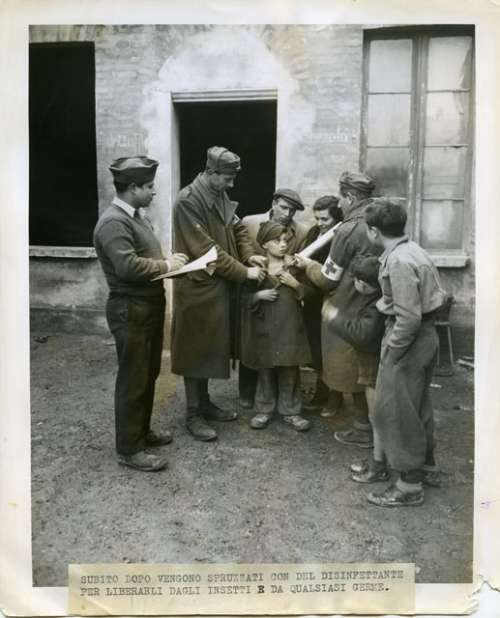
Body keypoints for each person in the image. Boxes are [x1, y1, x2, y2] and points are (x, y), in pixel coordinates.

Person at [93, 156, 189, 472]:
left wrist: (169, 262)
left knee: (148, 373)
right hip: (130, 309)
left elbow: (142, 257)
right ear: (133, 188)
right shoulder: (113, 222)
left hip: (147, 305)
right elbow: (127, 267)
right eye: (149, 186)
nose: (154, 191)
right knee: (133, 378)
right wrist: (166, 265)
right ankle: (129, 449)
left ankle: (142, 432)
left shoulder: (134, 217)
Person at [171, 146, 266, 442]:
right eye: (227, 178)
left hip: (218, 287)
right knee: (194, 349)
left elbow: (238, 229)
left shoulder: (218, 193)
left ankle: (204, 403)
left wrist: (249, 255)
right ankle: (193, 414)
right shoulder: (188, 201)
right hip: (197, 288)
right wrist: (244, 272)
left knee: (210, 348)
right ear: (211, 172)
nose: (231, 184)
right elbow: (207, 251)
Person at [363, 198, 447, 507]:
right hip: (425, 336)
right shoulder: (413, 249)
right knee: (417, 405)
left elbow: (408, 317)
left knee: (397, 411)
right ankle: (427, 467)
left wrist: (393, 351)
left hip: (408, 338)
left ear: (374, 231)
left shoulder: (398, 260)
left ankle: (409, 485)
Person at [294, 171, 381, 446]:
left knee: (351, 367)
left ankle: (363, 428)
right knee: (369, 370)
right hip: (375, 304)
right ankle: (372, 428)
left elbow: (327, 278)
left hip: (347, 305)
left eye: (342, 199)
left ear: (351, 197)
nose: (340, 204)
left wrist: (309, 265)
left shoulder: (348, 229)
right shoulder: (380, 217)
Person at [239, 189, 310, 408]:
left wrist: (293, 274)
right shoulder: (250, 223)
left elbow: (302, 267)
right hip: (258, 290)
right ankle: (250, 395)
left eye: (293, 210)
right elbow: (241, 249)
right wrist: (252, 264)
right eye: (284, 208)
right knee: (258, 356)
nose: (288, 214)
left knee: (286, 358)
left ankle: (287, 405)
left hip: (286, 307)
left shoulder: (301, 232)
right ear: (274, 203)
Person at [321, 256, 386, 482]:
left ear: (363, 284)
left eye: (355, 280)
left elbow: (362, 335)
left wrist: (334, 318)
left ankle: (380, 465)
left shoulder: (375, 306)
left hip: (374, 367)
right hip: (374, 364)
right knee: (377, 415)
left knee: (377, 416)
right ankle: (380, 460)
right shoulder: (376, 297)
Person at [301, 196, 344, 411]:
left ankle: (334, 396)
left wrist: (309, 265)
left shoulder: (340, 236)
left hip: (331, 297)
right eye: (317, 218)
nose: (320, 223)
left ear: (336, 218)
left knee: (332, 349)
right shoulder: (313, 232)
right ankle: (322, 390)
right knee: (316, 347)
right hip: (311, 297)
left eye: (324, 219)